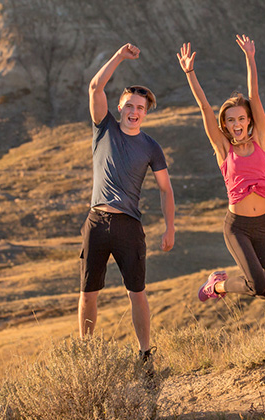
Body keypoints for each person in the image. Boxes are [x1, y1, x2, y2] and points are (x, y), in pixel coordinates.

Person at [80, 43, 176, 367]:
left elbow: (165, 189)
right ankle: (86, 355)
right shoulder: (103, 128)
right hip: (96, 220)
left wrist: (170, 227)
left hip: (129, 226)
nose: (134, 111)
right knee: (88, 291)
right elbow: (95, 86)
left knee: (137, 292)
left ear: (146, 113)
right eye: (130, 105)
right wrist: (119, 57)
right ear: (119, 105)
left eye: (141, 108)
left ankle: (145, 354)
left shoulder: (151, 146)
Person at [177, 36, 265, 302]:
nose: (236, 124)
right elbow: (204, 107)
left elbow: (254, 96)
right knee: (256, 284)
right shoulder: (224, 150)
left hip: (263, 225)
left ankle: (220, 284)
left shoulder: (261, 141)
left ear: (249, 120)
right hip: (238, 227)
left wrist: (250, 58)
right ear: (226, 124)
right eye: (231, 120)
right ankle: (216, 286)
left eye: (241, 118)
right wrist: (190, 73)